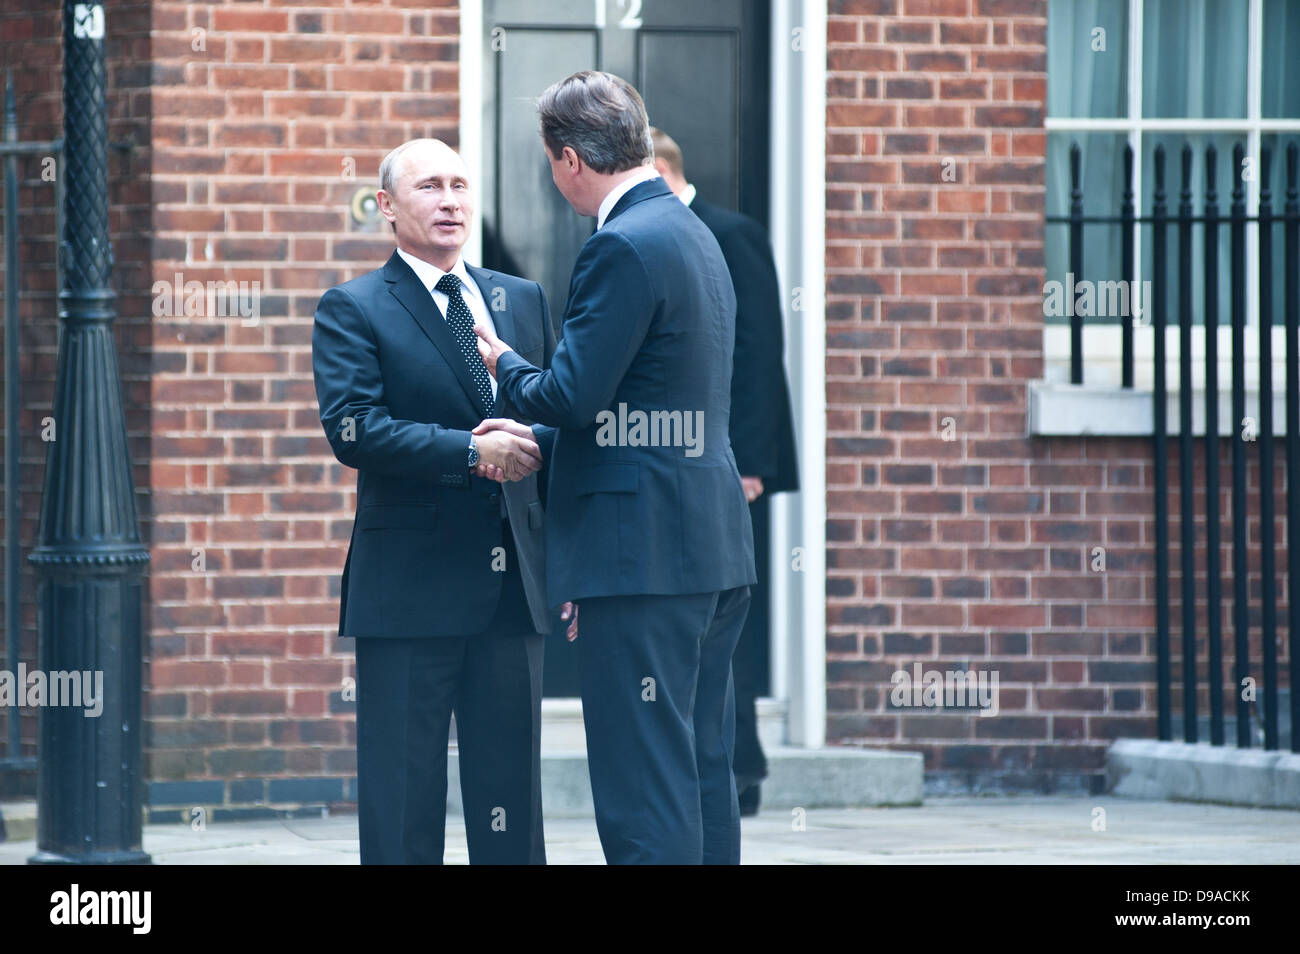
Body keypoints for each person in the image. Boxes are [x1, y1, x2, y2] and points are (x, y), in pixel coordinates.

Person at [475, 71, 757, 865]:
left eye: (548, 163)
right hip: (708, 546)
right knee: (700, 768)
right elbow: (642, 401)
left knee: (643, 785)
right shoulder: (692, 231)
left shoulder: (621, 244)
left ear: (569, 161)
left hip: (644, 557)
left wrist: (504, 364)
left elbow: (570, 394)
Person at [312, 138, 557, 865]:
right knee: (402, 803)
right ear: (387, 207)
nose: (450, 200)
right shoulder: (354, 308)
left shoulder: (522, 298)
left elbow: (553, 412)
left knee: (512, 802)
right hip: (410, 590)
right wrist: (469, 451)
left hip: (515, 589)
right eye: (429, 187)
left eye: (458, 184)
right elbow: (356, 429)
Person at [650, 127, 800, 815]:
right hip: (666, 463)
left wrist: (750, 464)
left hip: (730, 463)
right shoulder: (646, 237)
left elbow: (760, 351)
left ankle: (740, 766)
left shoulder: (729, 233)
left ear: (657, 170)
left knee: (724, 621)